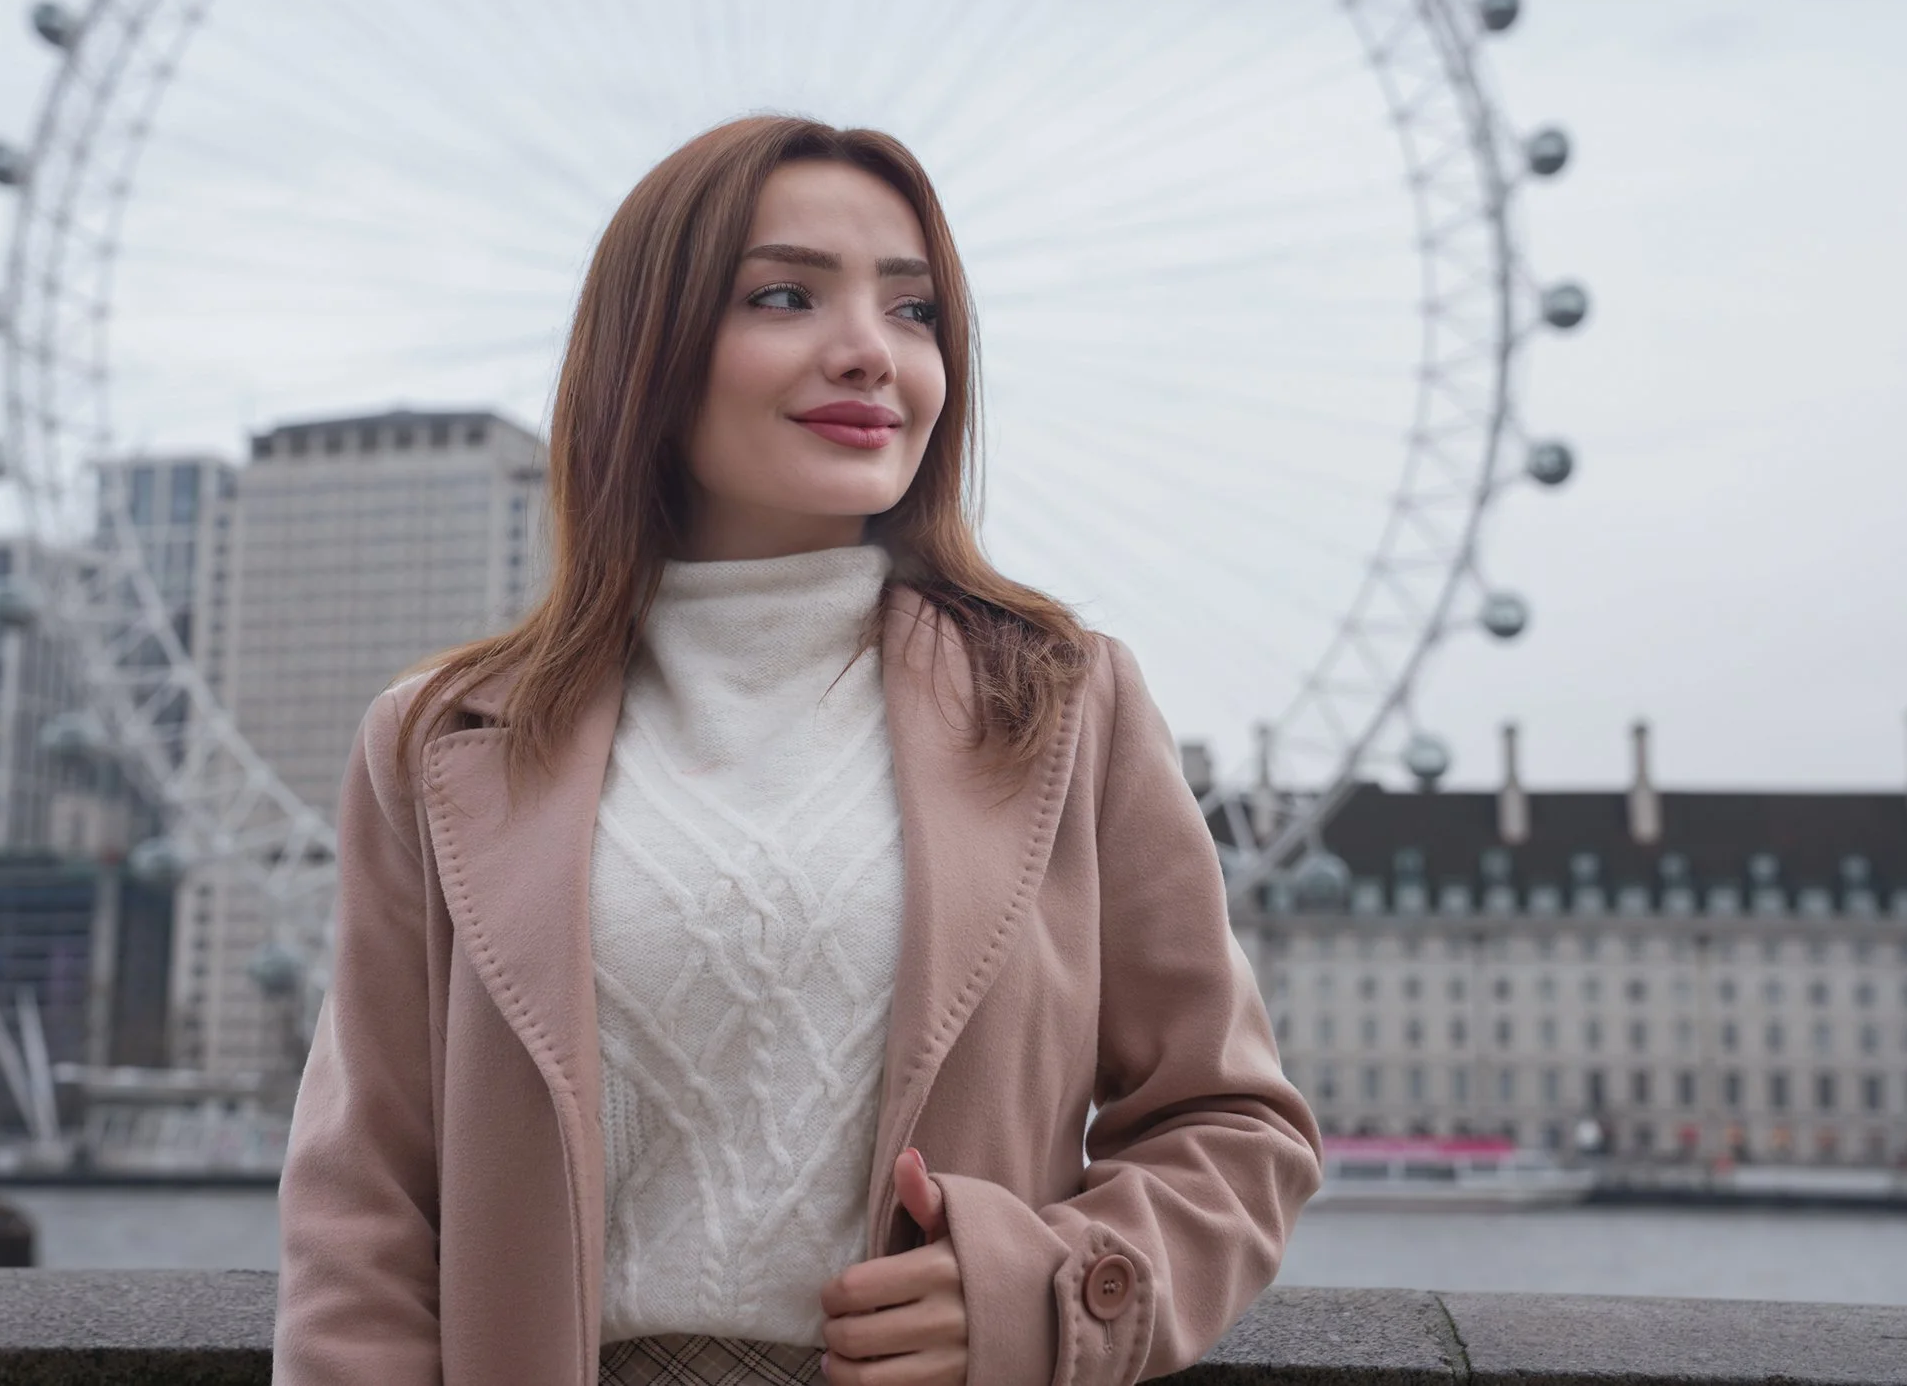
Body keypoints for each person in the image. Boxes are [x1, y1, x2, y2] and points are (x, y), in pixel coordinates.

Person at [272, 116, 1322, 1386]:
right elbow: (367, 1210)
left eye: (916, 309)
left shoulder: (1063, 702)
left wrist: (1034, 1295)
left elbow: (1234, 1121)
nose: (870, 352)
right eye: (784, 295)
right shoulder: (442, 739)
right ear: (646, 354)